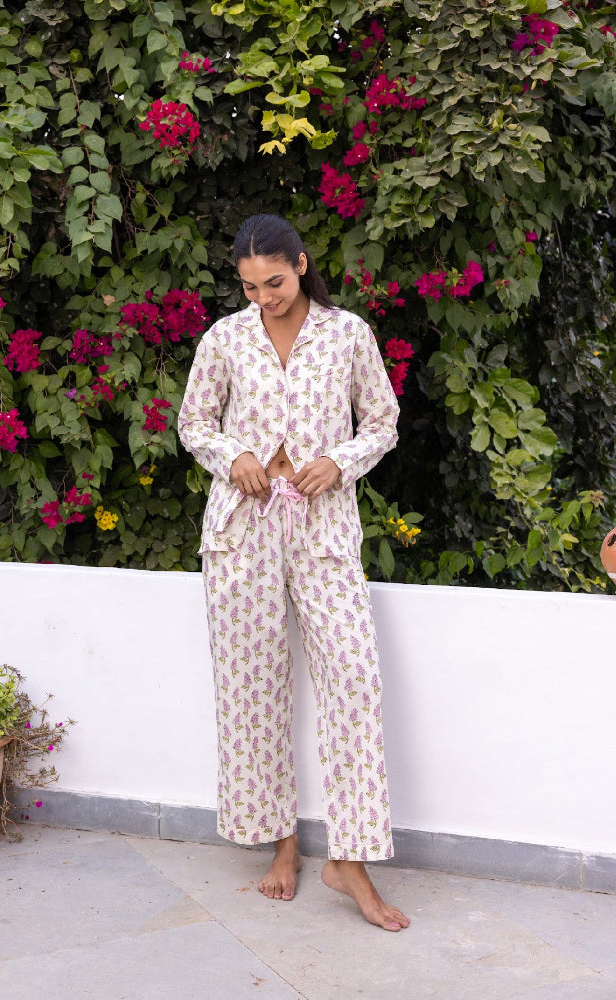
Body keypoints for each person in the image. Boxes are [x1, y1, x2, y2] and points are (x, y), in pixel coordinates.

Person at [178, 213, 409, 932]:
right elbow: (194, 422)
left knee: (354, 679)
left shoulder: (347, 335)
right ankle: (282, 844)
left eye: (274, 282)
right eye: (250, 287)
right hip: (241, 531)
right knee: (251, 690)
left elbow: (382, 421)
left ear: (301, 264)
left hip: (323, 529)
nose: (263, 297)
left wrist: (338, 461)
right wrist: (235, 456)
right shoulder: (225, 338)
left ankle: (350, 860)